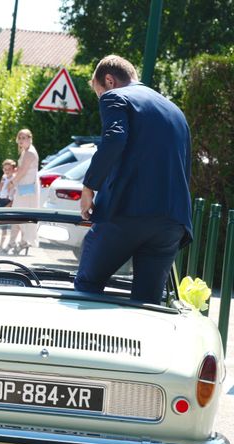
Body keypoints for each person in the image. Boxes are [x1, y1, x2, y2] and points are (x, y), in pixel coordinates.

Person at [74, 55, 192, 304]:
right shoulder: (175, 111)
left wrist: (88, 187)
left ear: (108, 80)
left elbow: (115, 139)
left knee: (86, 286)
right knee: (147, 303)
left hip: (126, 214)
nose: (100, 98)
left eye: (98, 92)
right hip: (172, 222)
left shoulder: (115, 96)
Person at [6, 128, 40, 255]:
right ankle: (21, 242)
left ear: (30, 139)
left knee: (21, 215)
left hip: (27, 189)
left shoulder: (30, 152)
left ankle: (23, 242)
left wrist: (12, 183)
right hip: (25, 187)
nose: (21, 140)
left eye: (24, 138)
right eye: (19, 138)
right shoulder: (26, 151)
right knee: (20, 215)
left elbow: (23, 171)